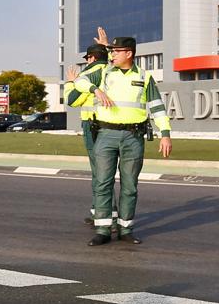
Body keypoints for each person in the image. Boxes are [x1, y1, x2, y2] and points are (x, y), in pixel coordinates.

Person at [71, 36, 172, 245]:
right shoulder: (103, 72)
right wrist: (95, 89)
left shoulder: (145, 77)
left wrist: (165, 134)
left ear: (129, 53)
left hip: (133, 137)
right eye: (111, 51)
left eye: (117, 51)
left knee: (130, 186)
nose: (112, 54)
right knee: (102, 183)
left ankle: (126, 229)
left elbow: (157, 107)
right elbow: (79, 81)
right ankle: (103, 229)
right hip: (106, 135)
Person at [66, 42, 110, 227]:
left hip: (93, 126)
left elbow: (72, 101)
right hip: (113, 126)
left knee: (99, 173)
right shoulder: (111, 70)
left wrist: (70, 82)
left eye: (87, 58)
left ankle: (100, 213)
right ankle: (108, 213)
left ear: (91, 58)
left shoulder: (86, 76)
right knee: (110, 172)